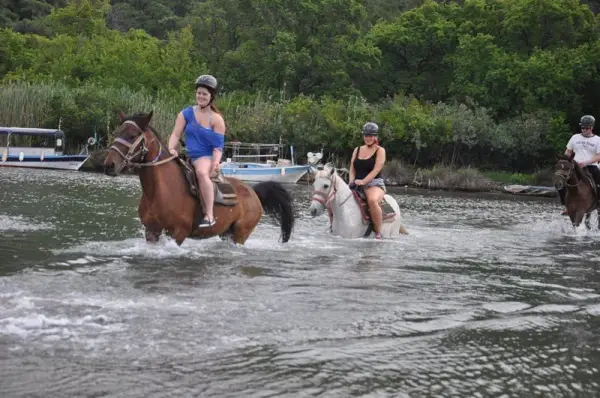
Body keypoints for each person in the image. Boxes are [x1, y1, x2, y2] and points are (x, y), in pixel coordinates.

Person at [167, 74, 226, 228]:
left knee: (201, 173)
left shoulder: (217, 119)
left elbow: (218, 147)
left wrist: (216, 162)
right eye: (198, 93)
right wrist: (172, 148)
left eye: (204, 94)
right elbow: (175, 134)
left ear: (211, 96)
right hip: (188, 154)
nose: (200, 96)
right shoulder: (185, 113)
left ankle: (209, 215)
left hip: (205, 156)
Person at [348, 122, 387, 239]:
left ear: (376, 137)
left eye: (371, 135)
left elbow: (376, 170)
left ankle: (378, 232)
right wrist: (351, 181)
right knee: (336, 197)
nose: (368, 138)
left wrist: (363, 182)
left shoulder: (380, 150)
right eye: (366, 135)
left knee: (372, 200)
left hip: (374, 184)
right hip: (356, 183)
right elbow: (352, 168)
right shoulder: (357, 149)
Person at [559, 114, 600, 215]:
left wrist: (586, 162)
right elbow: (568, 152)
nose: (585, 130)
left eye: (587, 128)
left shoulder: (598, 140)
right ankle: (566, 206)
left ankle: (598, 203)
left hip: (591, 166)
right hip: (574, 166)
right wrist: (565, 161)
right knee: (560, 181)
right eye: (583, 127)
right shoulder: (575, 137)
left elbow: (598, 156)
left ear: (592, 127)